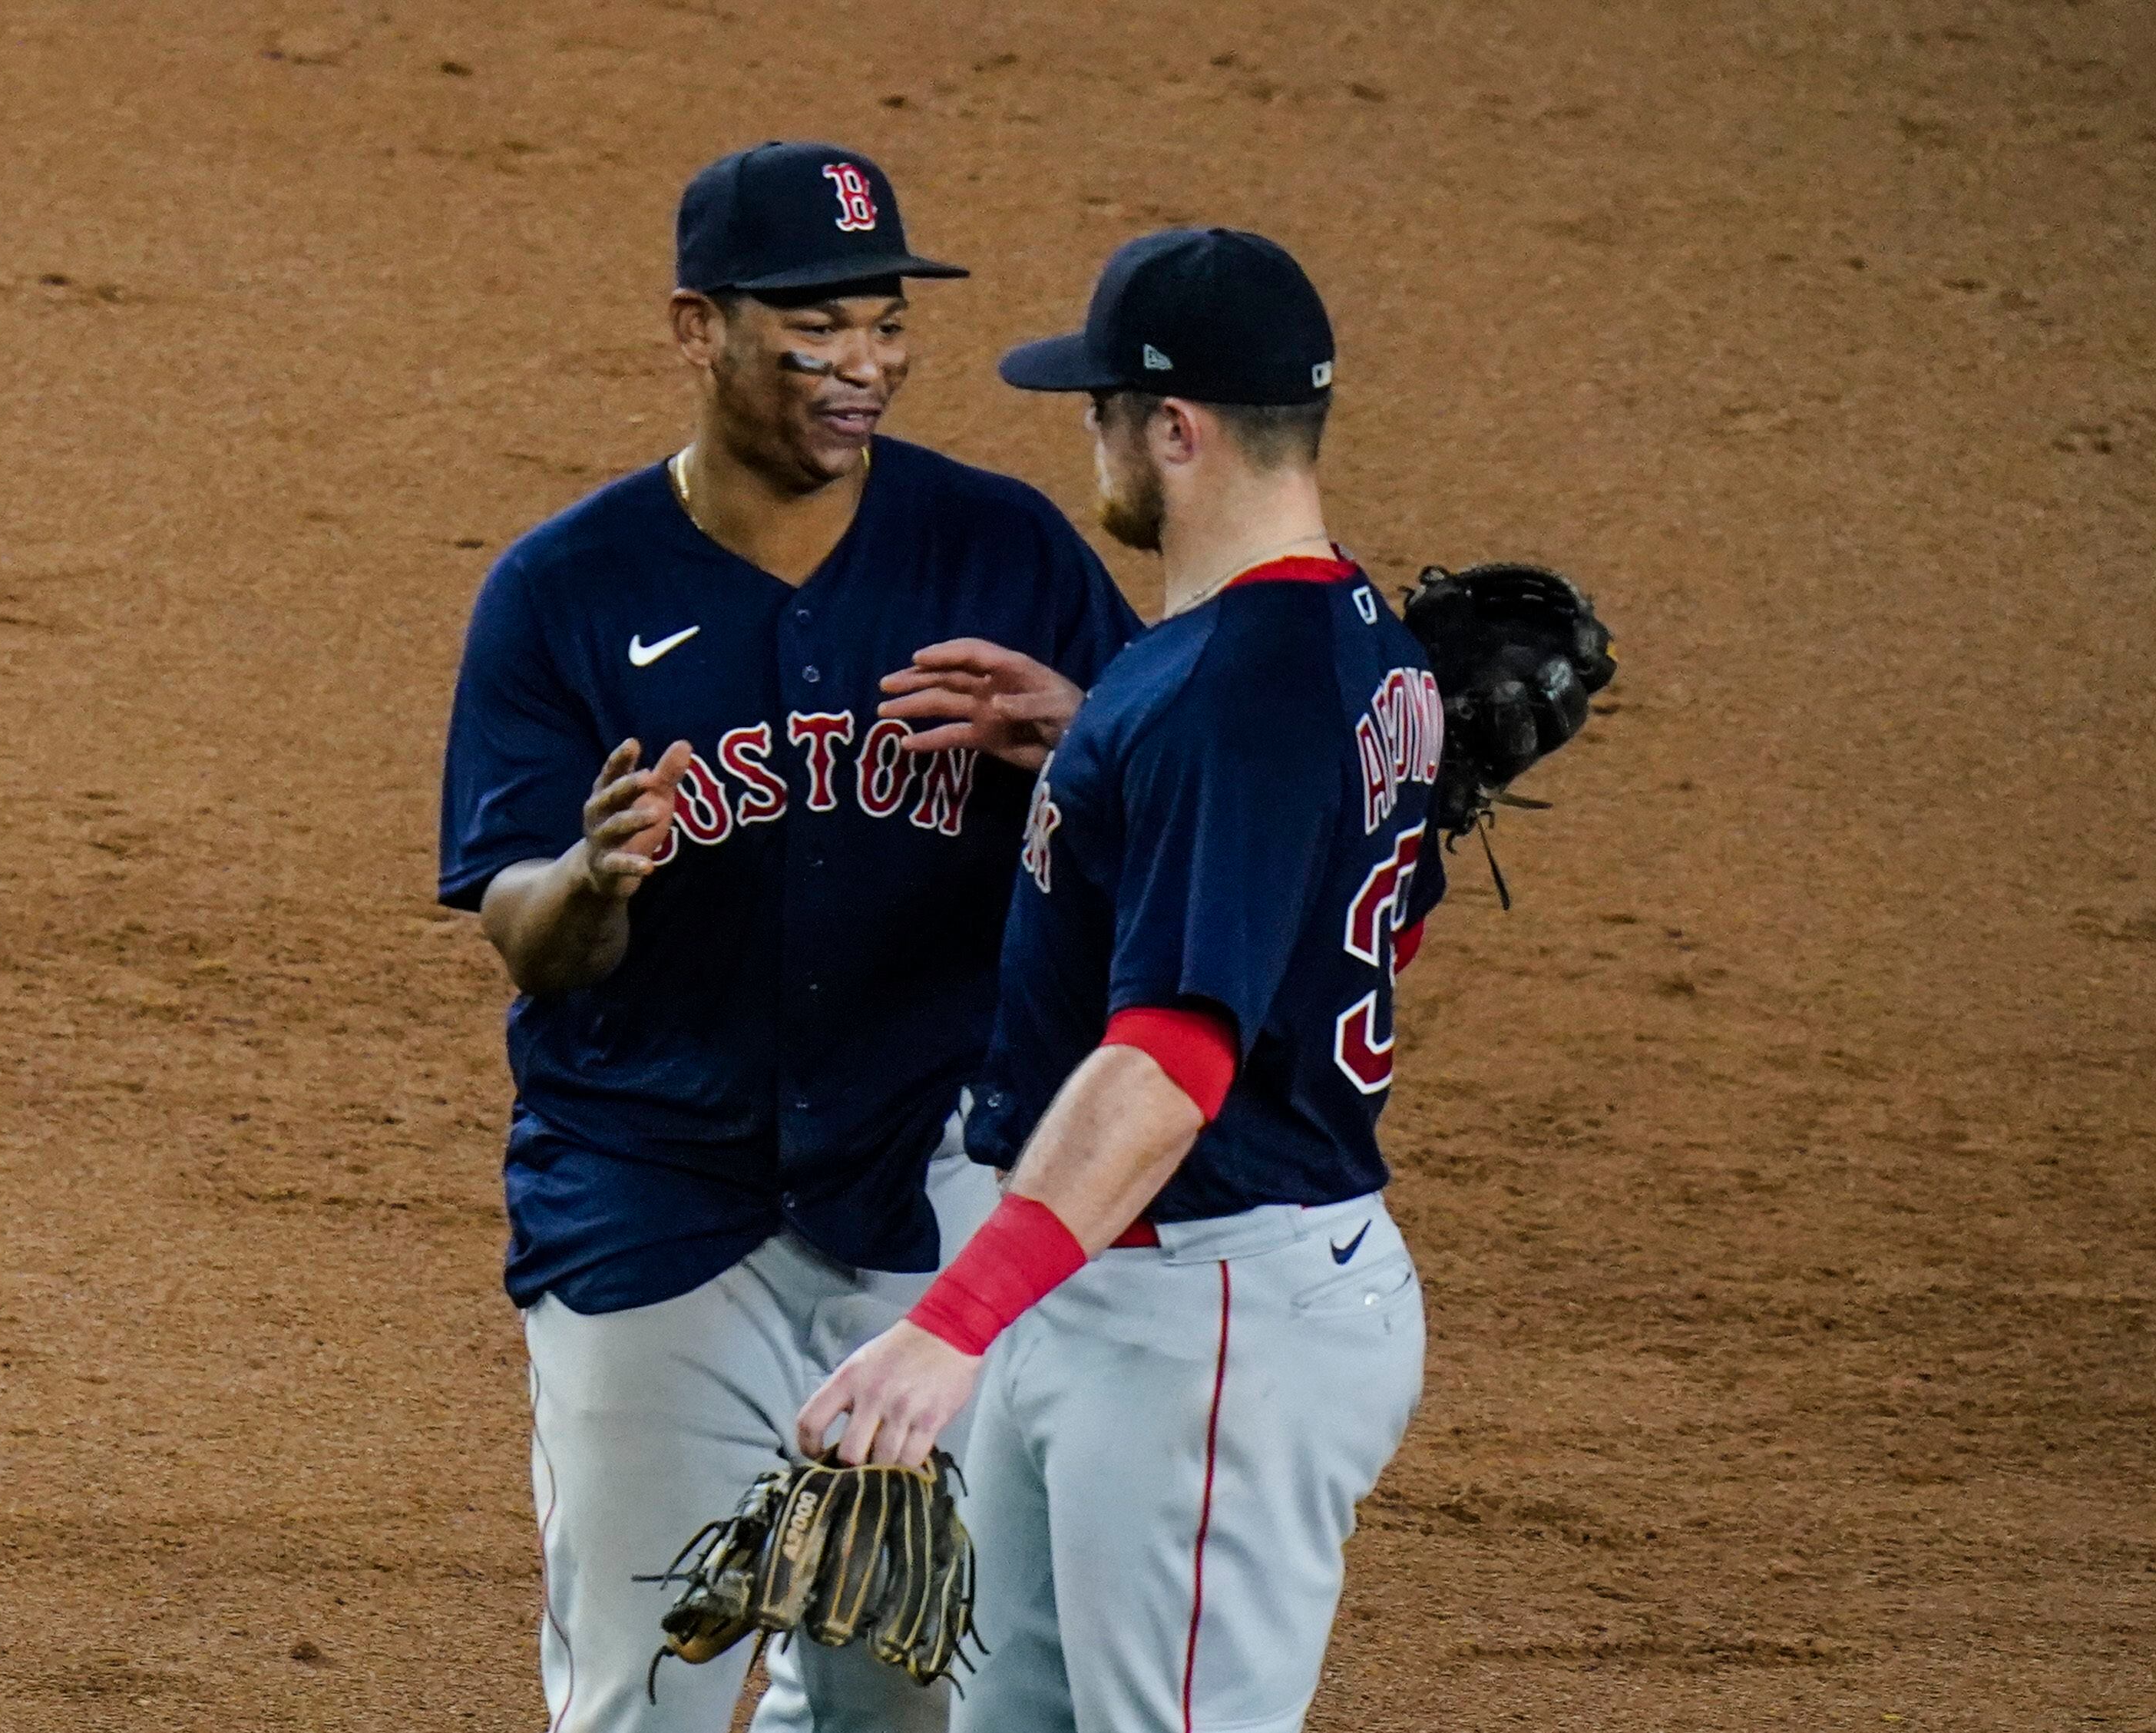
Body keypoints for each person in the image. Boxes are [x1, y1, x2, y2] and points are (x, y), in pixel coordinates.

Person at [436, 141, 1139, 1733]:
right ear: (700, 330)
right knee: (648, 1698)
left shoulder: (1005, 550)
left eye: (888, 323)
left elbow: (1178, 822)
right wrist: (594, 881)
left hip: (937, 1193)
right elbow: (524, 933)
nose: (866, 365)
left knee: (907, 1686)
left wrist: (1086, 737)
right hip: (654, 1199)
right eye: (818, 327)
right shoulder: (563, 589)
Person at [797, 228, 1448, 1733]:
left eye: (1100, 405)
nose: (1086, 434)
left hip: (1206, 1310)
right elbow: (1355, 911)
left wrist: (952, 1318)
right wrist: (1105, 756)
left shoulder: (1226, 696)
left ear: (1174, 428)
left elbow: (1172, 1066)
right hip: (1126, 1288)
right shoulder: (1353, 641)